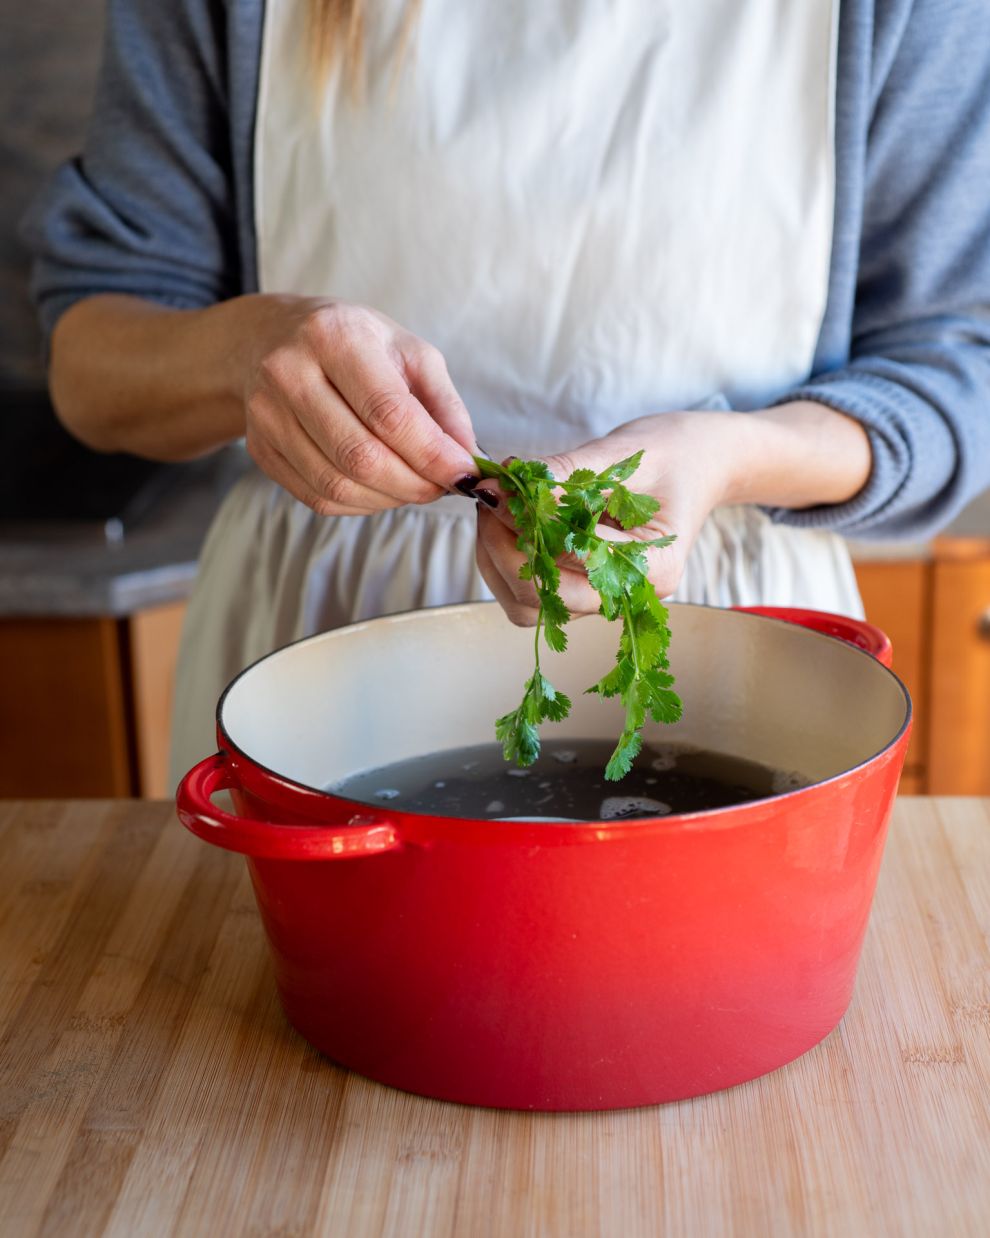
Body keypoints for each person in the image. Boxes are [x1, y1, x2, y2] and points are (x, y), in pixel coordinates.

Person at [25, 0, 990, 787]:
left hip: (729, 647)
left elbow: (958, 366)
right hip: (317, 646)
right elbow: (89, 369)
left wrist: (728, 456)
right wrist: (246, 352)